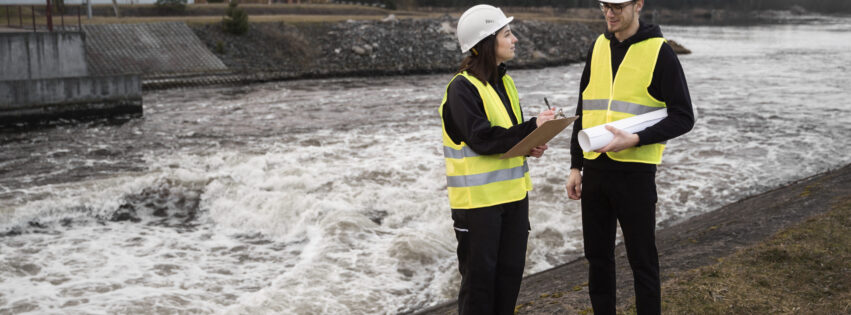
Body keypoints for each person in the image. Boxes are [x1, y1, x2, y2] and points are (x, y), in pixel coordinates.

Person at [564, 0, 695, 314]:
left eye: (618, 6)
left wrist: (636, 139)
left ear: (638, 5)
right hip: (594, 171)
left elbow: (683, 116)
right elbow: (583, 109)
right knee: (597, 258)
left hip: (635, 174)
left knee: (642, 260)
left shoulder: (658, 51)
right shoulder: (597, 46)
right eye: (605, 5)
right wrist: (575, 165)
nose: (610, 13)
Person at [438, 4, 555, 314]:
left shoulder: (505, 81)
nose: (514, 39)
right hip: (478, 207)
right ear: (487, 42)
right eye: (507, 33)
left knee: (508, 282)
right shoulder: (461, 89)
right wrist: (532, 126)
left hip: (514, 200)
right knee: (479, 290)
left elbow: (507, 137)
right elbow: (483, 139)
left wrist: (531, 142)